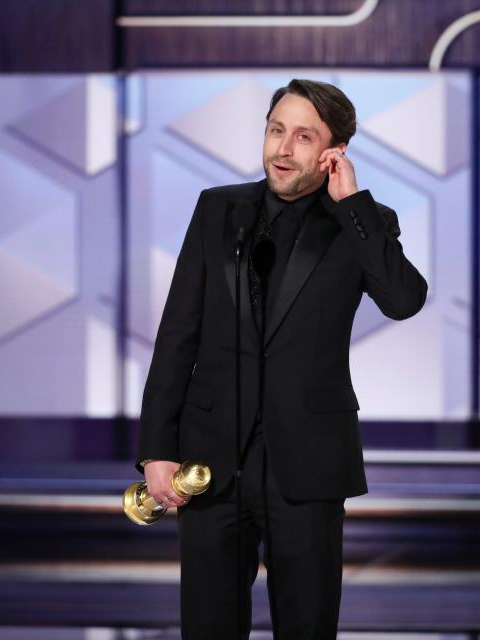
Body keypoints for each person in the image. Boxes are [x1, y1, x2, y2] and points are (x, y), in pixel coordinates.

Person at [134, 79, 428, 638]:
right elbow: (178, 334)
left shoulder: (361, 222)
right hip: (212, 462)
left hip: (308, 463)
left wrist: (353, 206)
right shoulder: (218, 209)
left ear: (332, 151)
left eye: (302, 136)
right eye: (275, 131)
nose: (282, 148)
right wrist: (157, 449)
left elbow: (404, 300)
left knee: (307, 627)